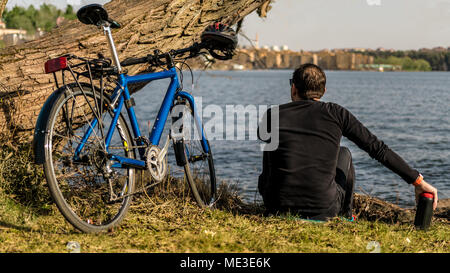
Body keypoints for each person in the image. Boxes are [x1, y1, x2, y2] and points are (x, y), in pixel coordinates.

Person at [258, 63, 438, 221]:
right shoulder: (336, 113)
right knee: (343, 153)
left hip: (276, 206)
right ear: (323, 92)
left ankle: (279, 198)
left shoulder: (272, 114)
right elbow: (378, 149)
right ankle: (345, 214)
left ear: (293, 88)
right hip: (324, 209)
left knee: (271, 144)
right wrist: (417, 181)